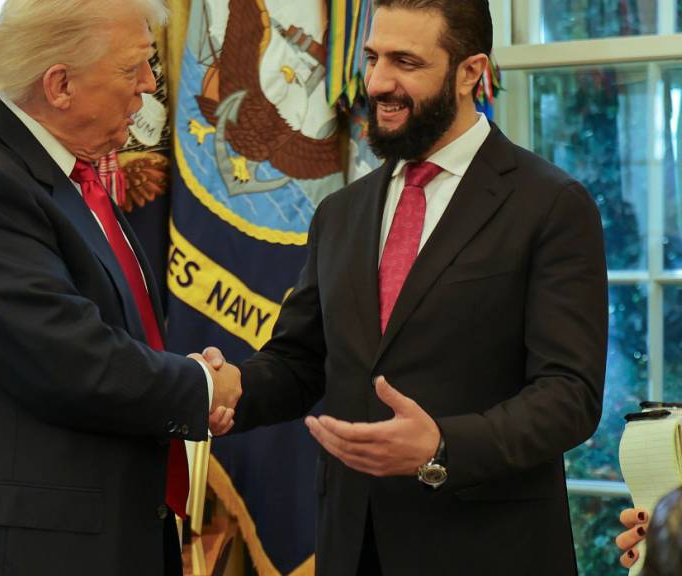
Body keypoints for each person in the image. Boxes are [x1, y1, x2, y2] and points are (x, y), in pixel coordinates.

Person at [203, 1, 608, 574]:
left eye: (405, 61)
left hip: (488, 551)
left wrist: (441, 445)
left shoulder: (551, 206)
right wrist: (232, 387)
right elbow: (301, 362)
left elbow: (570, 396)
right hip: (350, 548)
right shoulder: (341, 213)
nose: (377, 83)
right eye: (371, 58)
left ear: (471, 72)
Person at [0, 1, 240, 575]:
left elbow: (104, 335)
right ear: (60, 85)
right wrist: (200, 387)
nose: (148, 85)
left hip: (78, 538)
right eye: (133, 67)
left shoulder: (57, 175)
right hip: (13, 551)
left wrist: (186, 376)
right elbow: (68, 360)